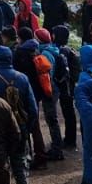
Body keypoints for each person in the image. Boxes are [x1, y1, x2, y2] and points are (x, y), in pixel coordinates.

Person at [0, 43, 43, 184]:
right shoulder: (21, 78)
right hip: (20, 130)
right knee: (21, 173)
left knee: (1, 174)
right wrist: (27, 128)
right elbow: (33, 108)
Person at [16, 27, 63, 162]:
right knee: (51, 118)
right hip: (52, 88)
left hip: (47, 88)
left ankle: (56, 149)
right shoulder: (51, 49)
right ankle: (56, 147)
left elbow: (47, 74)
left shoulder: (44, 53)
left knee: (50, 119)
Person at [53, 24, 80, 149]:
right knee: (68, 113)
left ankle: (70, 140)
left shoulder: (62, 51)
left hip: (66, 86)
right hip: (69, 85)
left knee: (68, 113)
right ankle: (70, 138)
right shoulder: (67, 49)